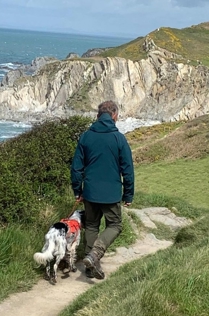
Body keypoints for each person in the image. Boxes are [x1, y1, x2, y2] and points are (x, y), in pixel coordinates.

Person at [70, 100, 134, 279]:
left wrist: (78, 190)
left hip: (90, 192)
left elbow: (76, 168)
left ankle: (90, 266)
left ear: (98, 116)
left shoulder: (86, 137)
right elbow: (127, 170)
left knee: (91, 225)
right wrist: (128, 194)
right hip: (111, 193)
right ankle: (95, 254)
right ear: (114, 115)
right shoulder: (119, 138)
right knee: (115, 225)